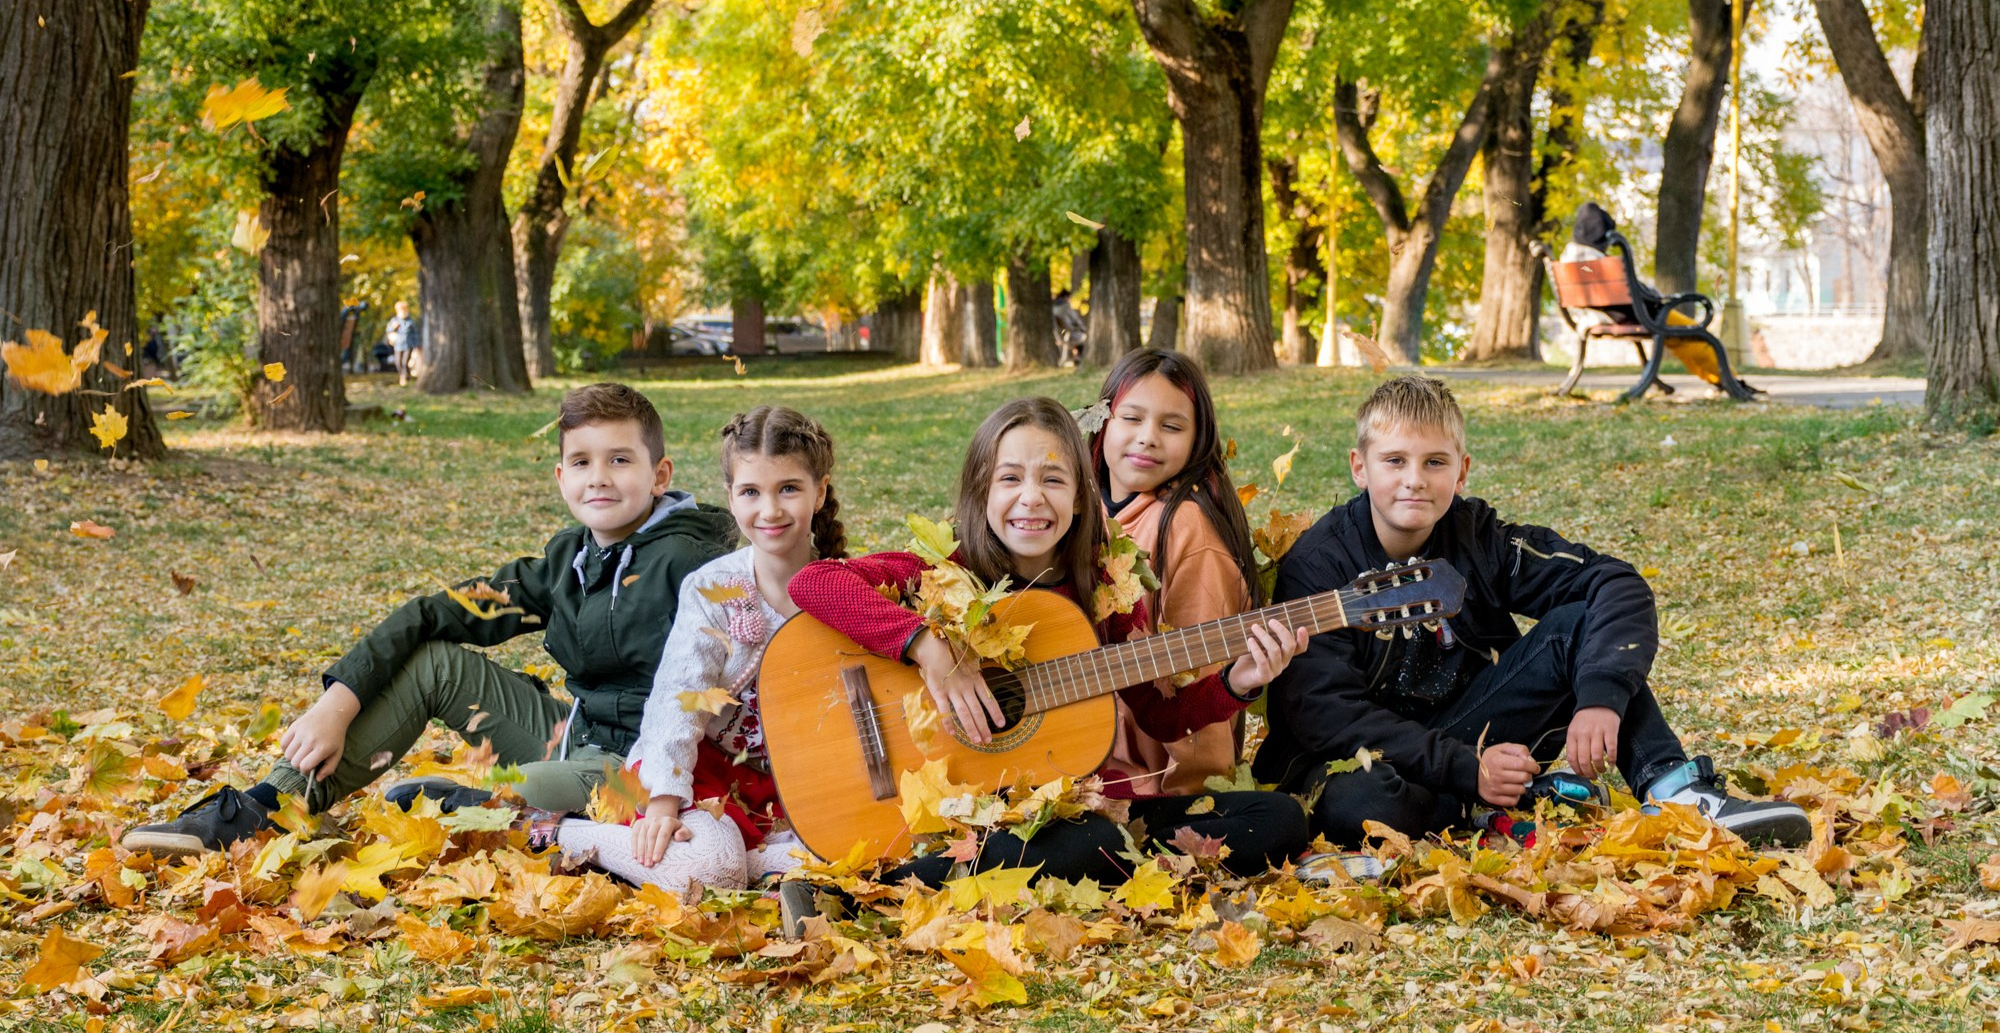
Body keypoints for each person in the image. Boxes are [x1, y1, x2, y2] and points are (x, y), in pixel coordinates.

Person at [121, 383, 738, 856]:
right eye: (580, 462)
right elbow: (436, 614)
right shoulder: (567, 561)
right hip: (574, 733)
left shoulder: (695, 558)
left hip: (650, 772)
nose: (598, 477)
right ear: (560, 476)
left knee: (534, 785)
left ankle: (482, 811)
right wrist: (338, 701)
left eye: (620, 460)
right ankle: (268, 805)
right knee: (433, 661)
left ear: (660, 475)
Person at [1252, 375, 1811, 847]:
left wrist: (1600, 696)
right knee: (1362, 809)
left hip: (1472, 731)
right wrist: (1466, 769)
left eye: (1435, 461)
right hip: (1366, 760)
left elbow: (1614, 582)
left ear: (1462, 471)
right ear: (1359, 466)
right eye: (1394, 460)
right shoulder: (1320, 564)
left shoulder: (1478, 537)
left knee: (1583, 630)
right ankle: (1483, 802)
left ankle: (1675, 791)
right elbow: (1322, 712)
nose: (1414, 479)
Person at [786, 396, 1312, 893]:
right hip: (970, 812)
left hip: (1083, 807)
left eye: (1053, 479)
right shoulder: (947, 573)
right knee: (1097, 844)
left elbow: (1158, 715)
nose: (1031, 498)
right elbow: (813, 583)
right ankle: (875, 893)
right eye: (1009, 478)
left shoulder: (1108, 589)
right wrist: (927, 648)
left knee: (1279, 819)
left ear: (1082, 497)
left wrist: (1239, 682)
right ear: (981, 492)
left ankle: (1087, 873)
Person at [548, 407, 842, 895]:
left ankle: (762, 866)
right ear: (731, 497)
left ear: (820, 491)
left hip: (796, 783)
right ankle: (565, 832)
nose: (769, 510)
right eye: (751, 492)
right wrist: (663, 802)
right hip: (698, 771)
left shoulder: (844, 588)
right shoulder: (714, 588)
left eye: (788, 489)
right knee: (712, 870)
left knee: (863, 847)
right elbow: (678, 698)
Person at [1088, 348, 1262, 792]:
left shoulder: (1187, 529)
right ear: (1101, 420)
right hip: (1062, 756)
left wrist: (1186, 808)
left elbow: (1200, 679)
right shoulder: (1069, 508)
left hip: (1142, 783)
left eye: (1171, 426)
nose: (1148, 437)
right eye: (1131, 418)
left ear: (1197, 440)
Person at [386, 300, 419, 387]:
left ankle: (404, 378)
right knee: (398, 363)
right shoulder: (394, 320)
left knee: (405, 362)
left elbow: (415, 333)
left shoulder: (410, 321)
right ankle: (403, 376)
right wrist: (393, 328)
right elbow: (389, 331)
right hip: (398, 345)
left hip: (408, 344)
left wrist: (417, 344)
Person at [1052, 289, 1088, 368]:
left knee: (1074, 341)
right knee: (1083, 338)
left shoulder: (1053, 307)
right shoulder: (1066, 306)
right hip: (1071, 332)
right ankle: (1077, 357)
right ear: (1066, 297)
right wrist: (1084, 328)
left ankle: (1075, 357)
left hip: (1060, 333)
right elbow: (1076, 319)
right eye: (1070, 298)